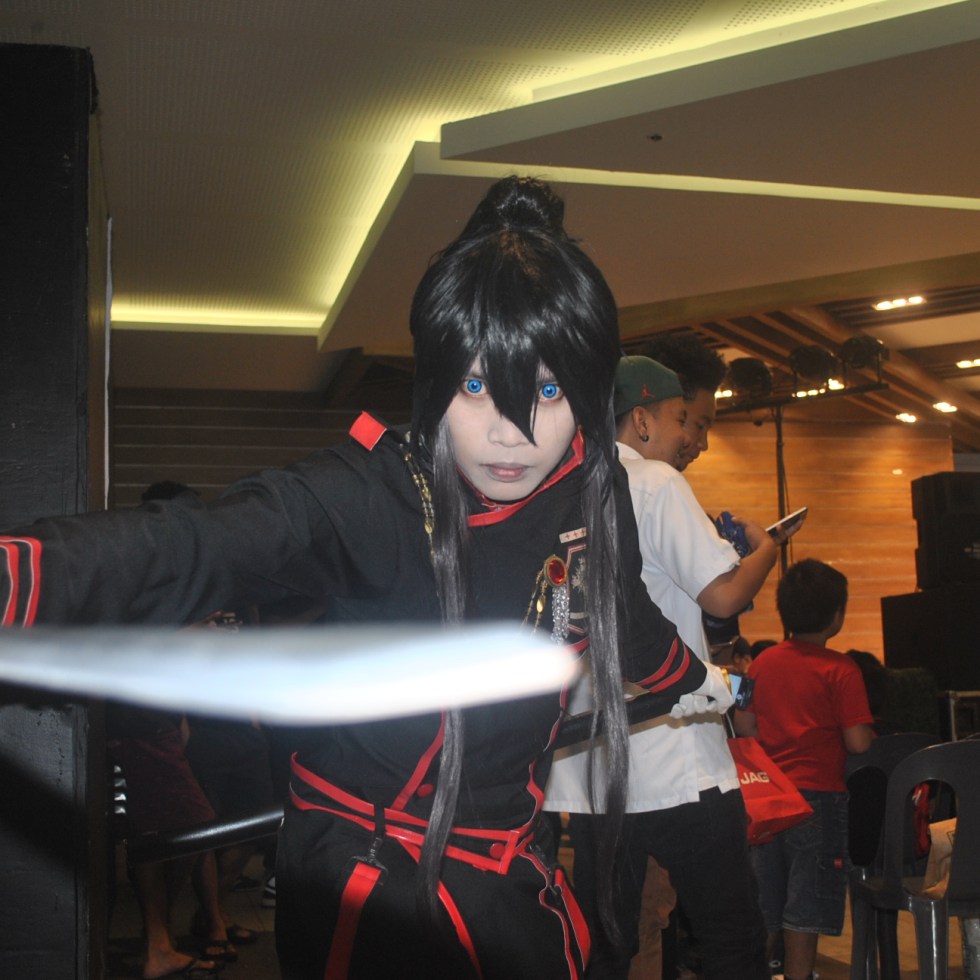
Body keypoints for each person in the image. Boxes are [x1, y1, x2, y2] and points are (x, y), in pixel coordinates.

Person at [0, 177, 726, 980]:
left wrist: (692, 679)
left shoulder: (595, 482)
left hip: (511, 865)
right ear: (436, 377)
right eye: (476, 385)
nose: (510, 434)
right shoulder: (380, 492)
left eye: (548, 391)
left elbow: (621, 606)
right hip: (367, 867)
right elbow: (195, 545)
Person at [546, 355, 799, 979]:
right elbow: (724, 596)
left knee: (609, 944)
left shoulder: (563, 491)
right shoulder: (654, 482)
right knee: (732, 937)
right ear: (641, 419)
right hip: (675, 750)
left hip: (592, 765)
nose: (690, 436)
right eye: (682, 418)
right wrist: (767, 551)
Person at [735, 559, 875, 980]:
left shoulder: (762, 663)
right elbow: (857, 742)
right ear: (837, 616)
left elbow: (744, 725)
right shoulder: (842, 669)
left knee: (765, 902)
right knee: (807, 904)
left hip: (768, 800)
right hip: (819, 800)